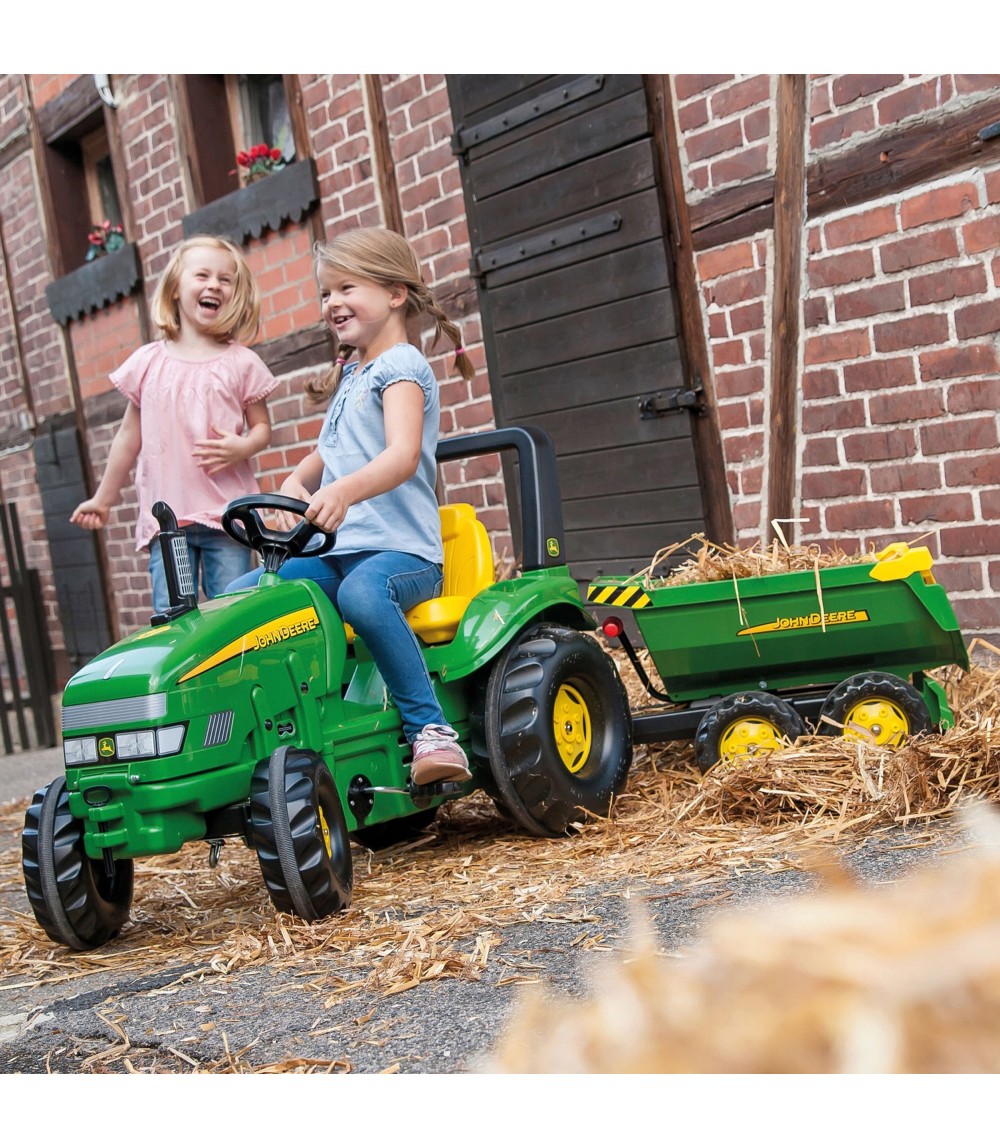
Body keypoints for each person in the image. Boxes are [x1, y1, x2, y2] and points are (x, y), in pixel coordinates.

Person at [226, 227, 477, 786]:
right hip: (339, 555)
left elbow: (402, 455)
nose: (332, 303)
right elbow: (329, 450)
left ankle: (432, 732)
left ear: (394, 293)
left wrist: (340, 491)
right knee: (248, 599)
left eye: (346, 288)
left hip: (401, 556)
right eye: (325, 293)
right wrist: (297, 482)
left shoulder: (403, 367)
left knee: (365, 595)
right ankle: (260, 737)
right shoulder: (355, 373)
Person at [71, 234, 277, 614]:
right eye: (202, 275)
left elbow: (263, 428)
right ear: (175, 290)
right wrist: (103, 498)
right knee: (171, 618)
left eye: (225, 279)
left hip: (226, 519)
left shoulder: (241, 363)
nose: (214, 284)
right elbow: (128, 438)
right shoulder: (149, 362)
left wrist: (243, 446)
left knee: (230, 615)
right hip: (169, 522)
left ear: (236, 294)